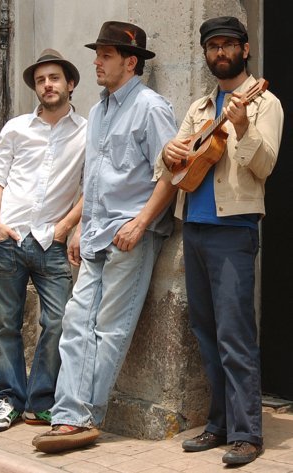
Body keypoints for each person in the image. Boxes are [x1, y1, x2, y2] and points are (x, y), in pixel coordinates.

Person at [32, 21, 178, 453]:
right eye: (98, 54)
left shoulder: (151, 108)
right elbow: (93, 177)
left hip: (130, 235)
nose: (96, 61)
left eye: (106, 55)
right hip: (96, 233)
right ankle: (68, 416)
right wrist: (81, 225)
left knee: (110, 329)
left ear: (130, 62)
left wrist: (141, 223)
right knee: (75, 323)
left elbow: (173, 173)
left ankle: (82, 417)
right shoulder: (97, 112)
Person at [160, 17, 283, 465]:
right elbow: (171, 165)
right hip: (193, 226)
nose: (221, 52)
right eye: (213, 46)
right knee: (206, 333)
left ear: (245, 49)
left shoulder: (264, 102)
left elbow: (265, 166)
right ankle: (220, 423)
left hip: (233, 230)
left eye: (229, 44)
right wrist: (166, 153)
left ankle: (248, 433)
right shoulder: (199, 107)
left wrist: (244, 128)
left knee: (235, 334)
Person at [0, 49, 86, 432]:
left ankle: (40, 401)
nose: (47, 85)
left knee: (59, 321)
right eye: (41, 80)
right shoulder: (16, 128)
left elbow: (90, 188)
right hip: (8, 238)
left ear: (70, 83)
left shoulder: (87, 132)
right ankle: (9, 399)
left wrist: (66, 227)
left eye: (54, 78)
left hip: (51, 242)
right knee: (4, 325)